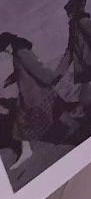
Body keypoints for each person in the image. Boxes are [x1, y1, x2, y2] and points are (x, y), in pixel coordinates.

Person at [0, 32, 62, 168]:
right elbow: (23, 69)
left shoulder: (21, 52)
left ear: (10, 43)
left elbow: (37, 68)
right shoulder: (18, 52)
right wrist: (11, 79)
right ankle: (27, 150)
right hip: (30, 94)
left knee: (27, 122)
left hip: (35, 94)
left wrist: (52, 79)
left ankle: (27, 151)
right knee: (23, 123)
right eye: (3, 50)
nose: (5, 51)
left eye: (5, 48)